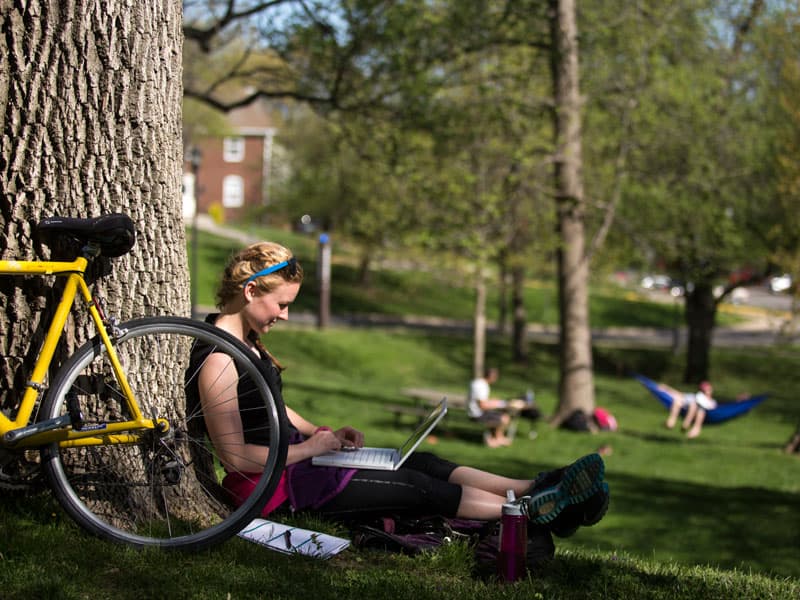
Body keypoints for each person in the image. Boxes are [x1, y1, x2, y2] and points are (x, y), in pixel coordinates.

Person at [190, 242, 610, 544]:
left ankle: (536, 487)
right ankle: (527, 512)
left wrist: (323, 432)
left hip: (302, 463)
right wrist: (308, 449)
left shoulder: (245, 342)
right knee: (413, 485)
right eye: (281, 305)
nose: (285, 315)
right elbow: (236, 458)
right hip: (276, 489)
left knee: (421, 461)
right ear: (250, 292)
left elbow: (272, 406)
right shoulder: (219, 359)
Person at [467, 367, 526, 448]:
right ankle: (495, 439)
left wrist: (495, 401)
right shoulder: (482, 386)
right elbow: (483, 405)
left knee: (502, 416)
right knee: (504, 418)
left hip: (474, 411)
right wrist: (501, 404)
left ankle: (498, 437)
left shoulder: (478, 382)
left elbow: (481, 400)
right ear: (492, 377)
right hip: (477, 414)